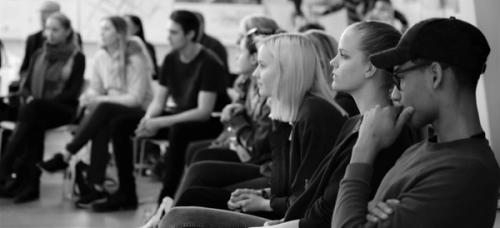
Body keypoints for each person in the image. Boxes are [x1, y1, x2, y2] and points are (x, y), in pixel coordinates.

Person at [160, 33, 352, 227]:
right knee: (194, 194)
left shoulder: (314, 114)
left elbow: (305, 200)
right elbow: (285, 184)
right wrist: (262, 194)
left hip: (290, 220)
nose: (255, 74)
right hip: (286, 212)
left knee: (182, 216)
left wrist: (266, 202)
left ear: (285, 71)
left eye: (262, 65)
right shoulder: (295, 112)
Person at [332, 17, 499, 228]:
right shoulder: (420, 151)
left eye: (399, 78)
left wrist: (363, 151)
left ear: (435, 76)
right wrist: (363, 210)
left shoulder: (465, 172)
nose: (393, 94)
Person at [39, 16, 153, 210]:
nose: (101, 33)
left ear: (119, 34)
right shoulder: (100, 56)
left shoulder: (135, 58)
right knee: (103, 119)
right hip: (110, 111)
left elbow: (136, 98)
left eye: (106, 29)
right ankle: (95, 185)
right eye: (101, 29)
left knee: (104, 110)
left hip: (138, 111)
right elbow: (96, 88)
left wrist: (101, 99)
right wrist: (90, 96)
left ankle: (66, 155)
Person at [135, 10, 230, 206]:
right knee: (122, 123)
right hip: (180, 116)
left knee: (179, 131)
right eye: (168, 32)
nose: (168, 37)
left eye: (174, 32)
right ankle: (125, 193)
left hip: (211, 121)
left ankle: (166, 198)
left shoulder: (209, 61)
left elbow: (203, 112)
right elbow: (159, 101)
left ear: (190, 34)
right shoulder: (170, 59)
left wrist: (159, 121)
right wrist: (148, 118)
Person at [0, 12, 85, 203]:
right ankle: (30, 186)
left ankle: (7, 168)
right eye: (48, 29)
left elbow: (71, 94)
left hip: (62, 110)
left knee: (33, 112)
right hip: (35, 110)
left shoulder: (76, 57)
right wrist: (30, 98)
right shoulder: (38, 53)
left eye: (55, 30)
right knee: (33, 122)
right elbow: (26, 85)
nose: (50, 34)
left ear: (67, 32)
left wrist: (38, 102)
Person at [19, 1, 82, 76]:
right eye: (41, 14)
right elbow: (24, 69)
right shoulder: (34, 43)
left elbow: (77, 72)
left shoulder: (74, 38)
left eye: (46, 13)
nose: (42, 17)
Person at [124, 14, 159, 80]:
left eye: (126, 25)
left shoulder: (144, 46)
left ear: (137, 28)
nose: (123, 28)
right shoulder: (119, 47)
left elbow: (152, 72)